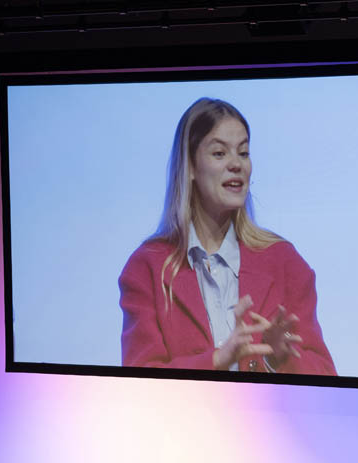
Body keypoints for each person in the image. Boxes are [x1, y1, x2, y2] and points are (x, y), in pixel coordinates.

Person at [119, 97, 336, 375]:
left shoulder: (285, 262)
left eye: (243, 153)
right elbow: (139, 380)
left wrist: (278, 360)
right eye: (220, 153)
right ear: (190, 167)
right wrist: (217, 360)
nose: (236, 164)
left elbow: (326, 375)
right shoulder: (147, 267)